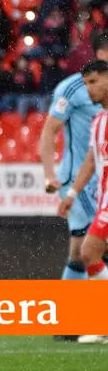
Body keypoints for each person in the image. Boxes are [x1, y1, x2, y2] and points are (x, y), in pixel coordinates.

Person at [40, 33, 108, 344]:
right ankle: (75, 319)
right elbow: (50, 131)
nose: (91, 87)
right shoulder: (73, 88)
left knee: (87, 250)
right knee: (83, 248)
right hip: (83, 184)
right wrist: (52, 177)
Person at [56, 60, 108, 344]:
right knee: (91, 254)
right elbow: (90, 160)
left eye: (94, 82)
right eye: (86, 83)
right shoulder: (99, 120)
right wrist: (73, 194)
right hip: (103, 200)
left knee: (88, 252)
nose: (88, 89)